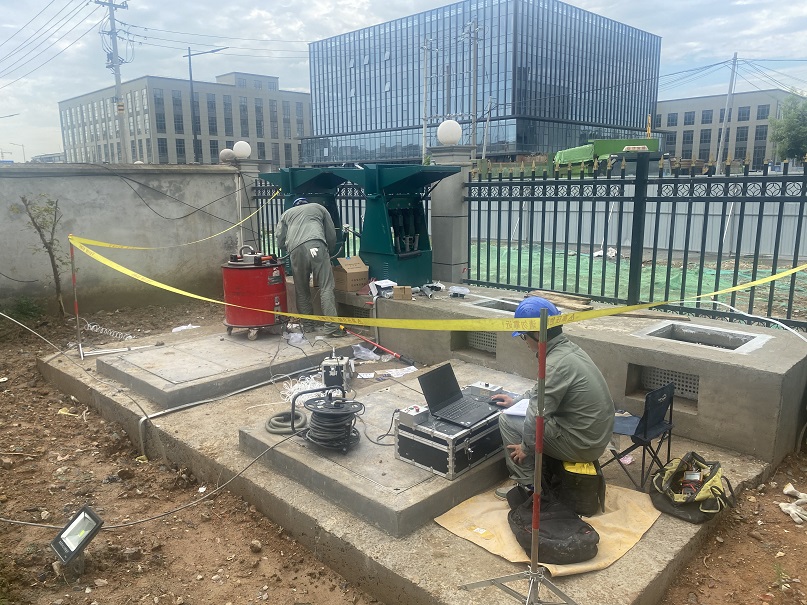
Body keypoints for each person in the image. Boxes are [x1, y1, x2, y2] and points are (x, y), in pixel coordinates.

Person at [491, 296, 614, 499]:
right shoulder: (569, 351)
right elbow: (538, 392)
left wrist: (526, 448)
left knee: (507, 420)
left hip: (583, 445)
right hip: (594, 437)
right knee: (525, 417)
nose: (524, 342)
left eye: (524, 336)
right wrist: (516, 401)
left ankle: (528, 486)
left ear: (538, 334)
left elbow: (535, 416)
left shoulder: (555, 365)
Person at [276, 197, 344, 337]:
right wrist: (328, 251)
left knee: (301, 289)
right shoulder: (319, 208)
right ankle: (332, 328)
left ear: (295, 206)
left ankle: (308, 326)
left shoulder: (286, 214)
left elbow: (280, 240)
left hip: (295, 249)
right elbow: (331, 234)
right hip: (316, 245)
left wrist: (290, 249)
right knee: (326, 286)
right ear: (307, 203)